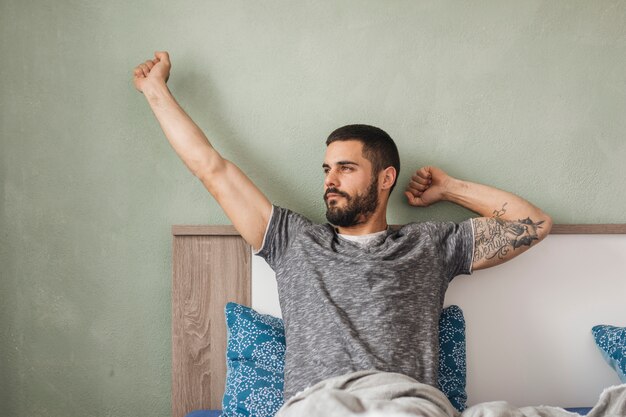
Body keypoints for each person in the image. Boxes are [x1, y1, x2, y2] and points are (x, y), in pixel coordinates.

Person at [133, 51, 553, 403]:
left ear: (385, 178)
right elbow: (212, 169)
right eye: (326, 169)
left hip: (402, 404)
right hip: (319, 404)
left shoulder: (430, 244)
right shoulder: (292, 240)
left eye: (346, 168)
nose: (329, 180)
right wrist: (156, 92)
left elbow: (532, 224)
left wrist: (449, 187)